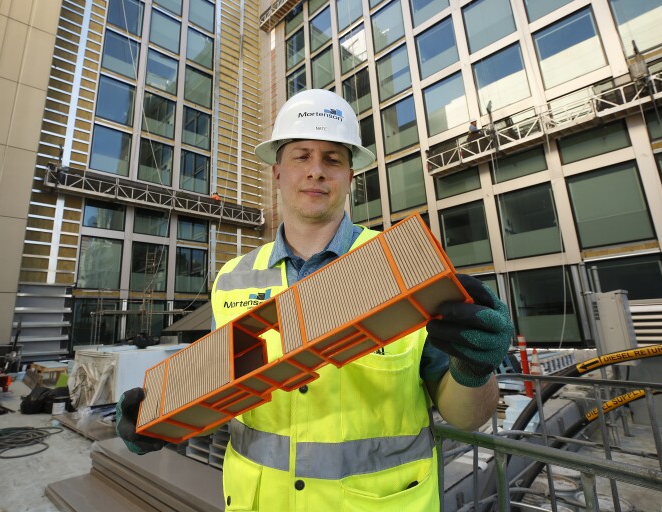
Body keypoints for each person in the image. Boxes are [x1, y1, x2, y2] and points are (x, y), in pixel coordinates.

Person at [116, 89, 514, 510]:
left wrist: (474, 367)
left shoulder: (402, 268)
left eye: (332, 159)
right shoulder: (232, 280)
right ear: (277, 172)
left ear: (350, 177)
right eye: (301, 156)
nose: (316, 171)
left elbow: (467, 417)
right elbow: (220, 392)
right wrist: (155, 422)